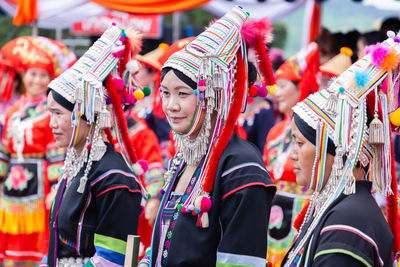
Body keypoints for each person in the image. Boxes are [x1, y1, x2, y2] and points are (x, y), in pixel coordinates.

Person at [139, 6, 276, 267]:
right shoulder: (185, 156)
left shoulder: (243, 169)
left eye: (182, 93)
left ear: (212, 95)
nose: (171, 106)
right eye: (165, 93)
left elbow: (241, 262)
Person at [281, 33, 400, 266]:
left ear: (338, 150)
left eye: (300, 142)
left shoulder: (348, 222)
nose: (292, 154)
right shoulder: (341, 208)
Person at [43, 25, 145, 267]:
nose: (52, 124)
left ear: (85, 113)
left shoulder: (114, 177)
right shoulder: (76, 165)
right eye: (50, 114)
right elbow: (57, 245)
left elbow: (114, 259)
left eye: (58, 113)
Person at [0, 36, 75, 266]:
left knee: (37, 245)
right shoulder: (13, 109)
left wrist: (56, 188)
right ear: (24, 75)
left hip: (41, 186)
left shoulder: (51, 110)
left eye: (43, 75)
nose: (37, 80)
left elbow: (55, 152)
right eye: (33, 74)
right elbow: (4, 150)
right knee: (12, 246)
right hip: (11, 186)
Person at [264, 42, 319, 266]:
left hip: (301, 215)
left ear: (301, 87)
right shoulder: (275, 131)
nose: (276, 92)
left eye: (283, 85)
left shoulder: (315, 131)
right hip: (272, 218)